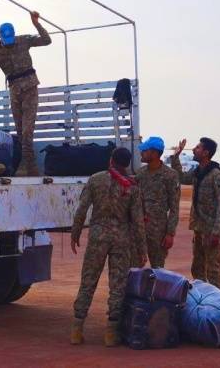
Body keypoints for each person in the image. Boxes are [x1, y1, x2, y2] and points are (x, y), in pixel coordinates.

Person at [69, 148, 147, 347]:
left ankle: (77, 329)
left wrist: (75, 232)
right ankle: (111, 333)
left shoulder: (96, 179)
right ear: (127, 164)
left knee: (88, 281)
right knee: (118, 284)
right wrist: (142, 249)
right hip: (121, 239)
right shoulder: (132, 186)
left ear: (111, 160)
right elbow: (138, 221)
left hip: (97, 237)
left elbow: (82, 209)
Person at [0, 11, 52, 176]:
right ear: (1, 37)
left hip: (30, 88)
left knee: (27, 131)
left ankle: (29, 167)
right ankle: (28, 166)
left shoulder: (23, 40)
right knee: (21, 131)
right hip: (15, 92)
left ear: (14, 35)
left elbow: (46, 40)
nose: (9, 42)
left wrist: (36, 24)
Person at [171, 137, 220, 290]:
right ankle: (202, 296)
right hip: (199, 228)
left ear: (206, 153)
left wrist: (217, 232)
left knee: (213, 270)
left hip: (211, 230)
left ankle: (218, 300)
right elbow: (181, 177)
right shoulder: (198, 172)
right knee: (197, 268)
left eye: (198, 148)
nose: (194, 150)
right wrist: (176, 156)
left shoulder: (216, 175)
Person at [135, 136, 180, 268]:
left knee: (158, 269)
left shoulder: (170, 175)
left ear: (154, 153)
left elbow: (174, 208)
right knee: (135, 267)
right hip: (138, 229)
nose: (141, 153)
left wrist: (170, 233)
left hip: (158, 231)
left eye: (145, 150)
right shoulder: (140, 174)